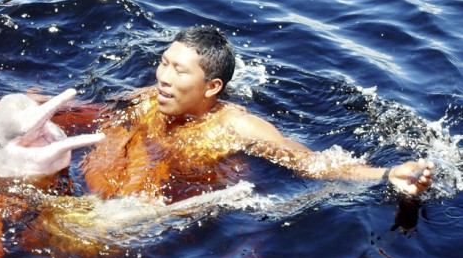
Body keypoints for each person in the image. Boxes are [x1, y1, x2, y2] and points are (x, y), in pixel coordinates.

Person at [73, 26, 433, 204]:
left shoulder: (235, 125)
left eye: (179, 71)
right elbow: (98, 112)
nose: (163, 78)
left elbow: (313, 164)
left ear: (212, 87)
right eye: (164, 63)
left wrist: (386, 174)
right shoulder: (150, 97)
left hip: (198, 205)